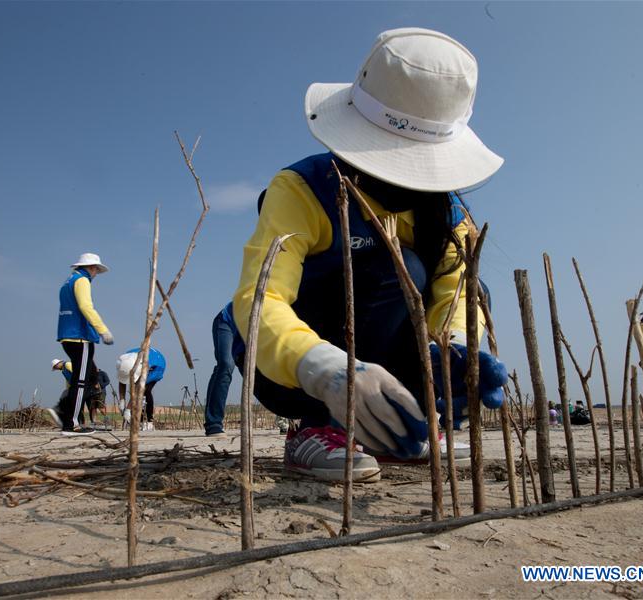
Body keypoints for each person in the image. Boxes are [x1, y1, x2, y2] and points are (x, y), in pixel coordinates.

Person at [231, 28, 508, 482]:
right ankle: (317, 425)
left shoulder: (452, 214)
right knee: (394, 268)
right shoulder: (303, 190)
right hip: (293, 368)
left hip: (387, 353)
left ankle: (399, 420)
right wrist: (325, 370)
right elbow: (260, 303)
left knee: (475, 288)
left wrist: (455, 350)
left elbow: (455, 295)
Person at [50, 253, 114, 436]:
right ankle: (70, 422)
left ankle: (64, 412)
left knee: (87, 377)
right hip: (80, 336)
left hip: (66, 335)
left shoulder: (68, 282)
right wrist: (103, 330)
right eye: (96, 270)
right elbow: (86, 307)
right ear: (92, 267)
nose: (96, 274)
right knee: (82, 379)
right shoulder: (82, 280)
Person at [204, 302, 245, 437]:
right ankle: (213, 423)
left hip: (247, 332)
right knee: (226, 364)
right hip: (227, 322)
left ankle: (286, 421)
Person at [51, 359, 111, 430]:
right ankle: (82, 424)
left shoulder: (67, 364)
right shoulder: (63, 371)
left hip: (83, 387)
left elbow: (77, 373)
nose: (56, 368)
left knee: (91, 407)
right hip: (78, 388)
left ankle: (94, 423)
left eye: (55, 367)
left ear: (58, 363)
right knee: (81, 406)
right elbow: (69, 380)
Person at [117, 347, 166, 431]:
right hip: (140, 364)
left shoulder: (146, 366)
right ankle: (138, 420)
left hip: (157, 365)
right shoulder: (124, 361)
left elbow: (138, 388)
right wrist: (122, 400)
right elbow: (122, 380)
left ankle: (149, 422)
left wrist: (128, 410)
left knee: (145, 390)